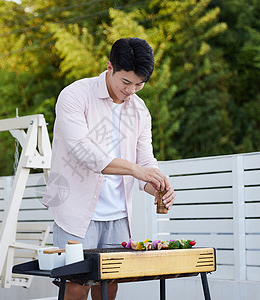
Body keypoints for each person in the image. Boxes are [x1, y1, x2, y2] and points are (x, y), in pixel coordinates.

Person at [41, 38, 176, 300]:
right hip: (76, 211)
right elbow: (82, 151)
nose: (132, 90)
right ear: (109, 66)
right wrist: (136, 170)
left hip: (118, 215)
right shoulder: (75, 95)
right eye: (126, 82)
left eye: (140, 84)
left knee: (109, 287)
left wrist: (158, 184)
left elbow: (146, 160)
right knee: (76, 287)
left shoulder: (139, 109)